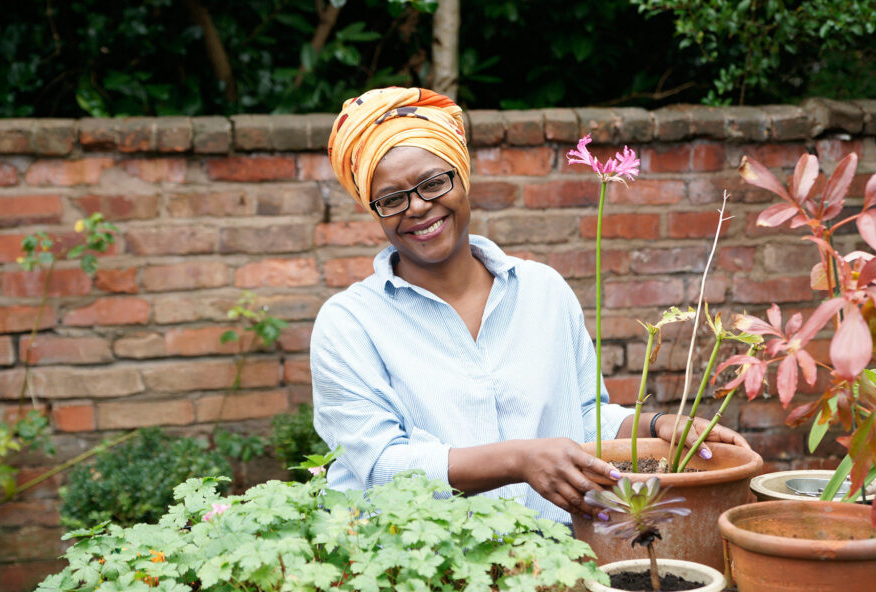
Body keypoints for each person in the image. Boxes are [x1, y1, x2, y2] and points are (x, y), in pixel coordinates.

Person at [311, 86, 750, 525]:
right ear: (375, 210)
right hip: (425, 573)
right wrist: (518, 459)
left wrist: (656, 427)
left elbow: (579, 416)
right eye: (392, 199)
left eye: (433, 183)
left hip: (560, 558)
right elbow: (381, 467)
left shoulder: (543, 291)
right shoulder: (349, 325)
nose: (419, 207)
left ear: (462, 176)